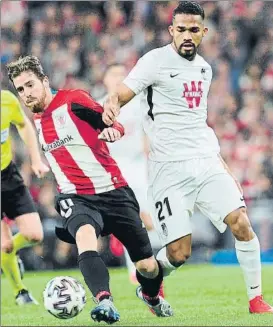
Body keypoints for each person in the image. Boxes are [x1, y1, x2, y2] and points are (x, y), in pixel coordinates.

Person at [102, 1, 273, 314]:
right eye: (180, 29)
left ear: (204, 32)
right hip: (168, 170)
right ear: (171, 30)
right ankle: (149, 277)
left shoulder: (205, 69)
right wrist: (112, 106)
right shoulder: (154, 61)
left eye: (194, 29)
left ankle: (256, 300)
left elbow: (198, 123)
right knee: (179, 254)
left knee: (241, 222)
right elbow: (122, 93)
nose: (187, 35)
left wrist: (222, 165)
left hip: (206, 161)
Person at [7, 55, 173, 324]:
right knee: (85, 237)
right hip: (76, 196)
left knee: (147, 266)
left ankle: (151, 296)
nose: (26, 93)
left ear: (45, 81)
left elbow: (111, 123)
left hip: (114, 190)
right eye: (21, 89)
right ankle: (104, 301)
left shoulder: (74, 100)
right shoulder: (37, 119)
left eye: (30, 85)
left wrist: (113, 131)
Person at [99, 63, 162, 285]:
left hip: (139, 168)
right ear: (105, 80)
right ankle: (136, 271)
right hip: (114, 171)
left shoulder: (138, 103)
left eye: (122, 75)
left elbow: (148, 134)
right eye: (113, 74)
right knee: (132, 222)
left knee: (150, 222)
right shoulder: (97, 106)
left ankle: (149, 264)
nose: (118, 78)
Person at [1, 89, 48, 305]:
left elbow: (23, 125)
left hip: (8, 175)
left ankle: (8, 253)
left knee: (34, 235)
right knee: (5, 245)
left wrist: (35, 159)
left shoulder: (6, 101)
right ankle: (21, 292)